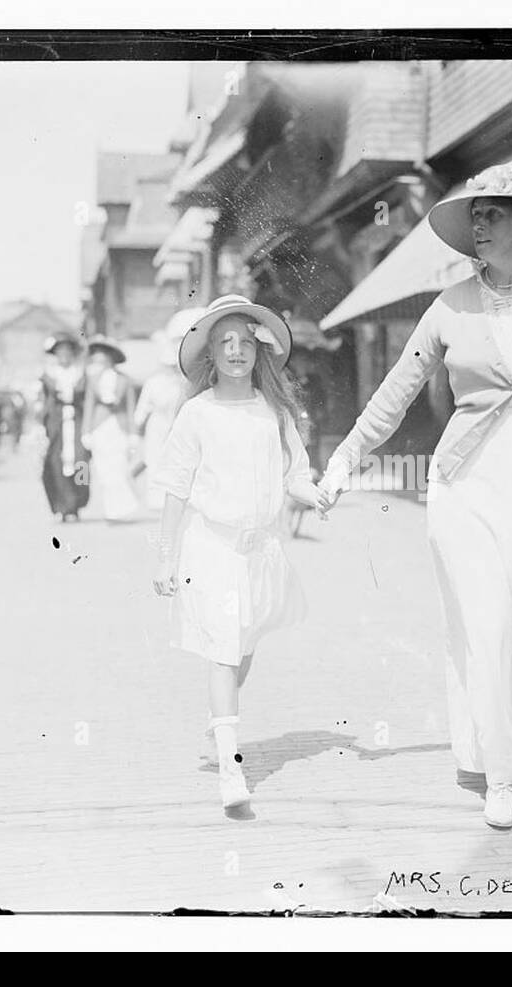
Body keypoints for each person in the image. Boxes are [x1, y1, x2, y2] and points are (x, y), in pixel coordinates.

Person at [318, 162, 512, 829]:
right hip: (465, 482)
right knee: (485, 621)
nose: (478, 226)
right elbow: (397, 389)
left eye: (491, 215)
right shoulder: (449, 304)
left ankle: (482, 737)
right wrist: (343, 460)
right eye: (473, 216)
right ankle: (502, 775)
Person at [151, 295, 328, 811]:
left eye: (245, 343)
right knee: (225, 652)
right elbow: (175, 490)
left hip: (260, 552)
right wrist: (164, 556)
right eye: (225, 343)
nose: (235, 352)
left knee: (243, 648)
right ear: (211, 352)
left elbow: (295, 474)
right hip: (212, 550)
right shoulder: (197, 414)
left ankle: (217, 726)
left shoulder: (273, 413)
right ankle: (231, 773)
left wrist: (315, 495)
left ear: (258, 352)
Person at [136, 308, 203, 510]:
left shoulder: (189, 382)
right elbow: (144, 406)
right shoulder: (155, 382)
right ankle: (157, 498)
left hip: (181, 423)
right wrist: (138, 425)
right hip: (159, 425)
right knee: (155, 458)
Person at [81, 337, 141, 522]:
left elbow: (131, 407)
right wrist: (86, 431)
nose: (99, 361)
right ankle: (111, 511)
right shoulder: (92, 380)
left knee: (119, 467)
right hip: (100, 427)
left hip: (119, 427)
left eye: (103, 358)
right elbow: (89, 406)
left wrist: (133, 433)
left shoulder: (124, 380)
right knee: (104, 469)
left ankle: (123, 508)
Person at [38, 332, 91, 522]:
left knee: (81, 462)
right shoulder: (48, 376)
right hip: (56, 424)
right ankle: (61, 506)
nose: (64, 356)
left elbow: (88, 399)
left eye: (68, 352)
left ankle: (77, 503)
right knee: (55, 462)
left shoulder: (81, 374)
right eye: (60, 352)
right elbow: (43, 403)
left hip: (77, 422)